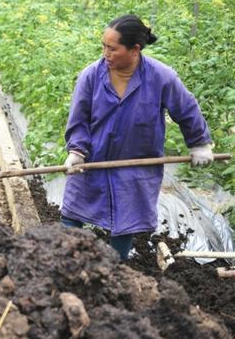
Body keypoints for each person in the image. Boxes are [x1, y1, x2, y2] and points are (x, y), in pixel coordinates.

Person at [60, 14, 213, 261]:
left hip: (137, 164)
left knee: (125, 221)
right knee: (72, 213)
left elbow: (186, 109)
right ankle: (64, 262)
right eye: (103, 46)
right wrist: (77, 151)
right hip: (93, 160)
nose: (105, 53)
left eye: (112, 48)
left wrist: (199, 144)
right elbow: (79, 119)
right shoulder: (91, 76)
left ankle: (114, 271)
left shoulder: (160, 77)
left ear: (134, 50)